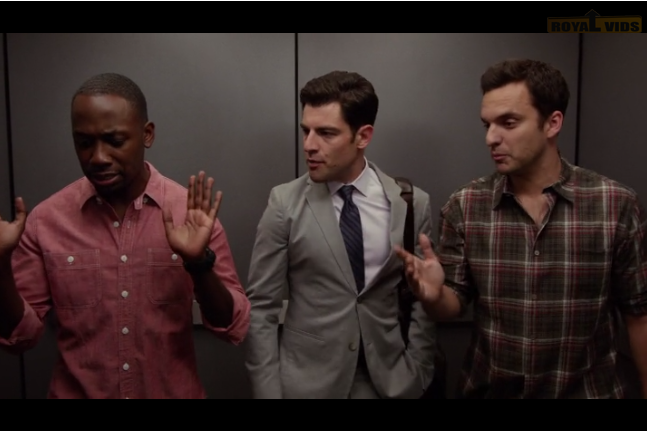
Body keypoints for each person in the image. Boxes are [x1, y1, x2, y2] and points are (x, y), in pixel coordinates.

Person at [395, 58, 647, 399]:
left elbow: (639, 314)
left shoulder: (615, 204)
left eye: (508, 122)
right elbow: (452, 304)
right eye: (487, 124)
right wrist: (434, 296)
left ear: (552, 123)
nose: (491, 138)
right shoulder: (465, 205)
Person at [0, 72, 250, 399]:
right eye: (84, 143)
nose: (98, 158)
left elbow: (232, 326)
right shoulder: (46, 220)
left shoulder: (190, 216)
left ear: (147, 134)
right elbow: (20, 336)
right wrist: (0, 266)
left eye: (115, 141)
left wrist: (199, 263)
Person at [244, 70, 436, 399]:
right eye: (306, 131)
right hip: (308, 384)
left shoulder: (410, 203)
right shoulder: (284, 203)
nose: (309, 145)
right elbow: (261, 307)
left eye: (326, 133)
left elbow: (424, 296)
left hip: (389, 382)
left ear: (363, 136)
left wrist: (418, 371)